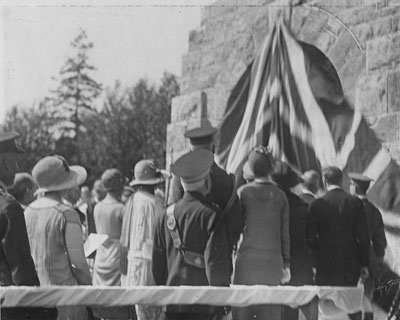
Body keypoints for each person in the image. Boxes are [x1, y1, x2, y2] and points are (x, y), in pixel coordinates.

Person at [153, 149, 231, 320]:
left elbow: (157, 269)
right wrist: (224, 308)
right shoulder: (213, 215)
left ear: (181, 183)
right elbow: (215, 267)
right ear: (207, 181)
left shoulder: (163, 216)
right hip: (203, 309)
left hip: (172, 307)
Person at [168, 126, 244, 273]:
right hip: (219, 259)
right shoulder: (227, 180)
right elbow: (236, 224)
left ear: (190, 149)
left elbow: (173, 215)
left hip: (183, 260)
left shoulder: (180, 179)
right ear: (213, 148)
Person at [25, 155, 91, 320]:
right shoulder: (67, 213)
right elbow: (78, 262)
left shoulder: (27, 212)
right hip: (66, 298)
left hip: (37, 297)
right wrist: (90, 290)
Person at [0, 132, 57, 320]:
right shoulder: (8, 206)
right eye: (14, 161)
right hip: (9, 306)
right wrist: (40, 309)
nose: (17, 168)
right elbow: (21, 270)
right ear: (5, 163)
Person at [233, 147, 290, 320]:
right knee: (270, 312)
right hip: (272, 263)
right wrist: (286, 263)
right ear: (271, 168)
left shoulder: (243, 193)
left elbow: (236, 229)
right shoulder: (281, 196)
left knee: (242, 312)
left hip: (246, 263)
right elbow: (284, 234)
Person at [306, 166, 370, 320]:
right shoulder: (355, 203)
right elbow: (363, 237)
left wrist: (314, 263)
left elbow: (310, 238)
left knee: (324, 308)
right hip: (350, 264)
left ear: (324, 181)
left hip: (324, 264)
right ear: (341, 181)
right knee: (352, 305)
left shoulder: (317, 204)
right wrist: (364, 264)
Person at [121, 159, 166, 320]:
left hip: (133, 262)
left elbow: (124, 240)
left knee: (138, 311)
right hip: (151, 263)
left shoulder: (131, 202)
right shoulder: (157, 203)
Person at [272, 162, 316, 320]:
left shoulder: (270, 203)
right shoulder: (301, 206)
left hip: (273, 263)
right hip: (298, 265)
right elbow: (310, 238)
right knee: (292, 310)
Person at [349, 172, 387, 318]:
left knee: (351, 300)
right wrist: (376, 260)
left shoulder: (349, 206)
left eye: (351, 184)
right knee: (366, 299)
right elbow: (380, 242)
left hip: (350, 258)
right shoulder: (374, 211)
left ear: (355, 187)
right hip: (369, 260)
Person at [93, 168, 125, 286]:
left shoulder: (97, 207)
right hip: (116, 258)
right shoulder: (121, 209)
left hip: (100, 257)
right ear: (120, 188)